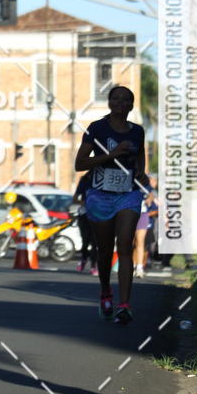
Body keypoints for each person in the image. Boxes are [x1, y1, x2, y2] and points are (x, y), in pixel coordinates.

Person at [74, 85, 148, 324]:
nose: (120, 103)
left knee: (125, 245)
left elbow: (139, 159)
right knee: (105, 250)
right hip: (100, 195)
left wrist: (140, 173)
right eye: (115, 98)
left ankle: (124, 305)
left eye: (125, 99)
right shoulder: (97, 128)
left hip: (128, 194)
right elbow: (80, 163)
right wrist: (112, 154)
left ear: (131, 105)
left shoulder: (137, 131)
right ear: (109, 103)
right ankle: (106, 290)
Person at [73, 170, 98, 275]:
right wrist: (84, 202)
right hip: (84, 214)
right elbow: (75, 198)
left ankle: (94, 265)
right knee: (85, 240)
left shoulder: (104, 179)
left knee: (95, 242)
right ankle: (83, 259)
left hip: (98, 214)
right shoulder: (85, 179)